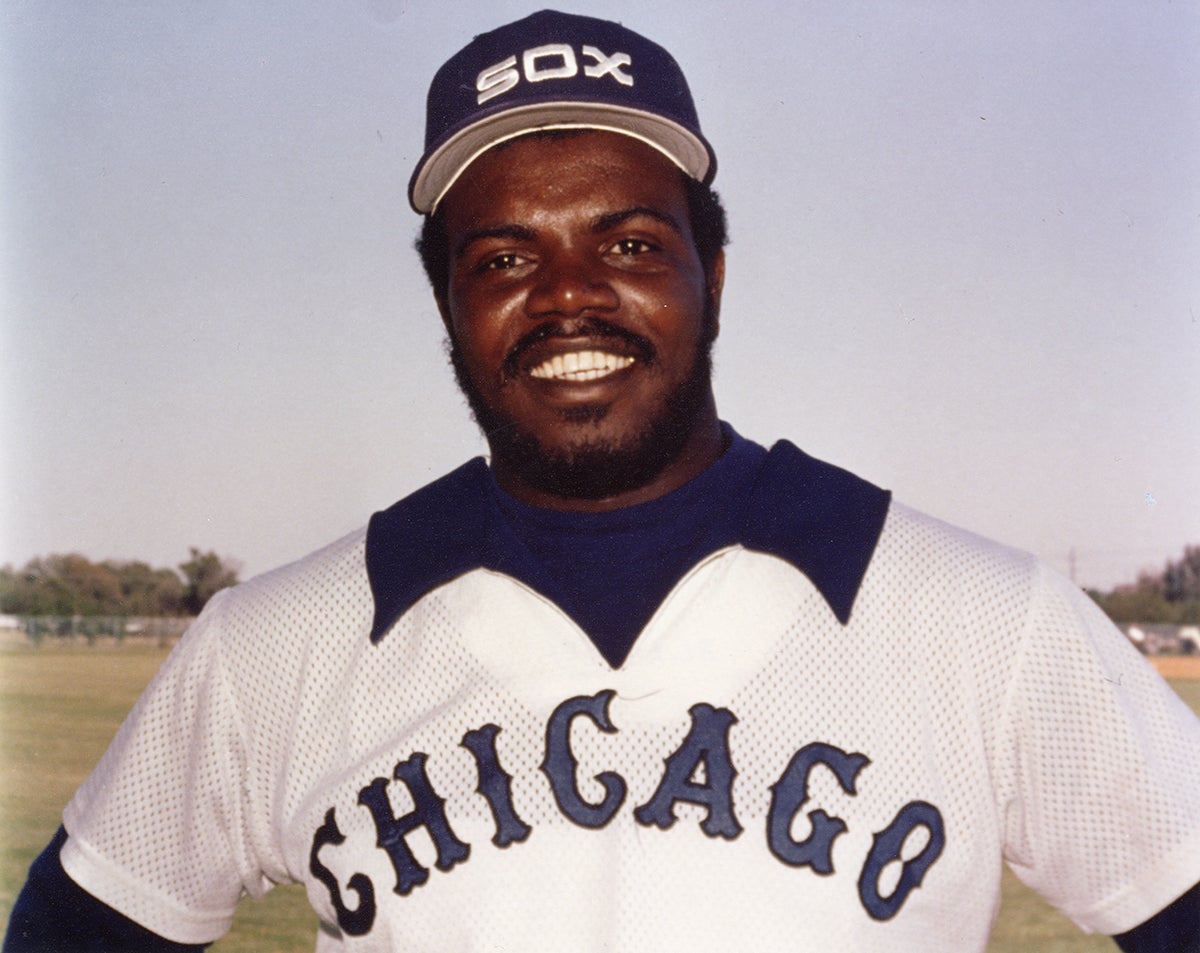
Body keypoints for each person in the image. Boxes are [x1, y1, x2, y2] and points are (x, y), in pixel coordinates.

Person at [6, 9, 1200, 952]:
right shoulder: (277, 644)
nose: (568, 294)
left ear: (712, 275)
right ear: (447, 304)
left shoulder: (981, 618)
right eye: (505, 257)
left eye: (629, 244)